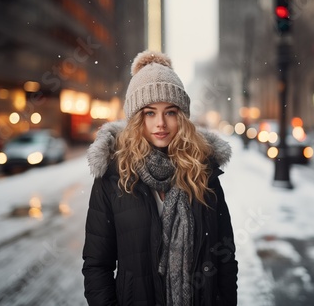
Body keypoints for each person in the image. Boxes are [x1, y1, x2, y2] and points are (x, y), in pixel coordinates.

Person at [82, 50, 238, 306]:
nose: (161, 124)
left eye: (171, 112)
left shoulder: (203, 173)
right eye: (150, 113)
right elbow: (97, 266)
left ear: (182, 117)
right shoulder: (114, 177)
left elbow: (225, 257)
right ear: (136, 119)